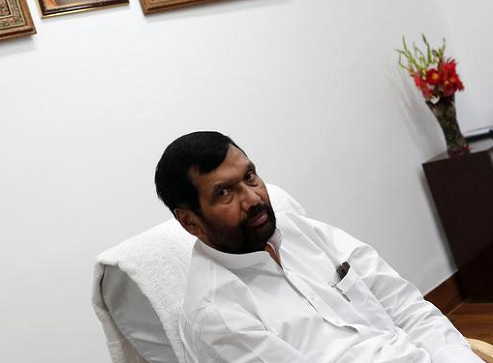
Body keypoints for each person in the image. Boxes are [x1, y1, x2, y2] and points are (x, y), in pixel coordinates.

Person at [154, 131, 482, 363]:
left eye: (250, 176)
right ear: (190, 222)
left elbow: (408, 309)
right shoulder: (216, 317)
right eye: (225, 192)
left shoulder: (303, 232)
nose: (253, 198)